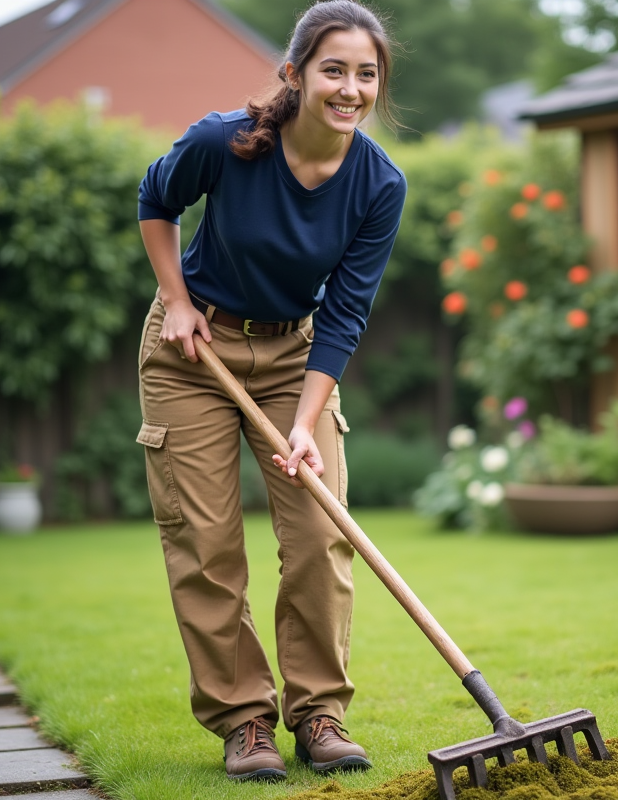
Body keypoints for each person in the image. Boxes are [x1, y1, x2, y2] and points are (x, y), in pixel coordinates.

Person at [135, 0, 406, 784]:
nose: (350, 87)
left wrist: (305, 422)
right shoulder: (225, 141)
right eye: (334, 69)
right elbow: (156, 199)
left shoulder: (379, 183)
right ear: (295, 75)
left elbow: (346, 312)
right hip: (195, 350)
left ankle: (320, 715)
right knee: (208, 543)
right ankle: (245, 722)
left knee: (322, 535)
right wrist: (177, 299)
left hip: (295, 355)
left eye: (366, 72)